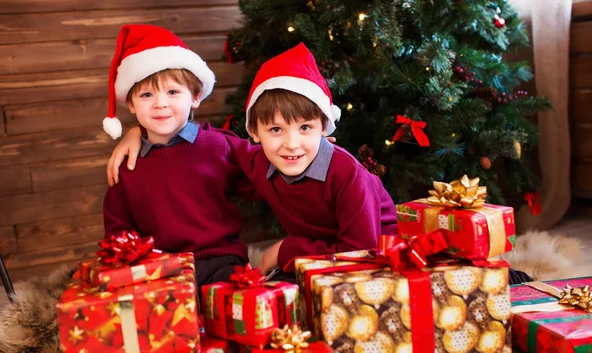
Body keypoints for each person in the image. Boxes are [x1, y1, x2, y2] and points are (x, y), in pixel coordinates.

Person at [107, 43, 398, 277]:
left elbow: (362, 253)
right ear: (255, 133)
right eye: (275, 130)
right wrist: (137, 132)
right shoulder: (261, 162)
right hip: (313, 258)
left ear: (324, 128)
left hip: (373, 265)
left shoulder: (346, 174)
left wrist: (284, 250)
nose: (291, 143)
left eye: (305, 128)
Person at [102, 24, 256, 287]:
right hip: (162, 270)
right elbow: (119, 229)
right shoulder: (128, 164)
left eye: (173, 92)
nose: (160, 103)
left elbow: (265, 175)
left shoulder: (218, 146)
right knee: (160, 321)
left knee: (234, 310)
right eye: (147, 94)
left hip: (221, 260)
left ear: (195, 97)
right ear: (131, 103)